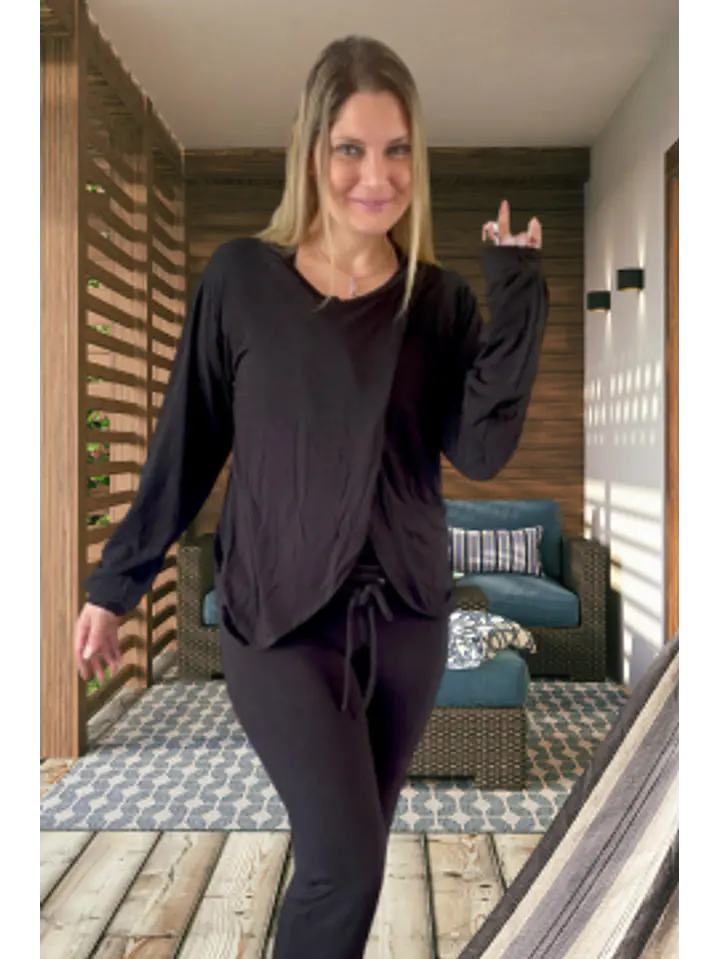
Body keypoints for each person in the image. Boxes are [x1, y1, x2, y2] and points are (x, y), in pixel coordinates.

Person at [74, 35, 548, 959]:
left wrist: (518, 293)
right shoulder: (241, 280)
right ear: (310, 152)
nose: (377, 175)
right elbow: (186, 445)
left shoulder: (438, 302)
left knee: (347, 860)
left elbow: (481, 451)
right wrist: (114, 586)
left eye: (396, 149)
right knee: (347, 864)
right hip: (277, 620)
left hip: (406, 620)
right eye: (351, 148)